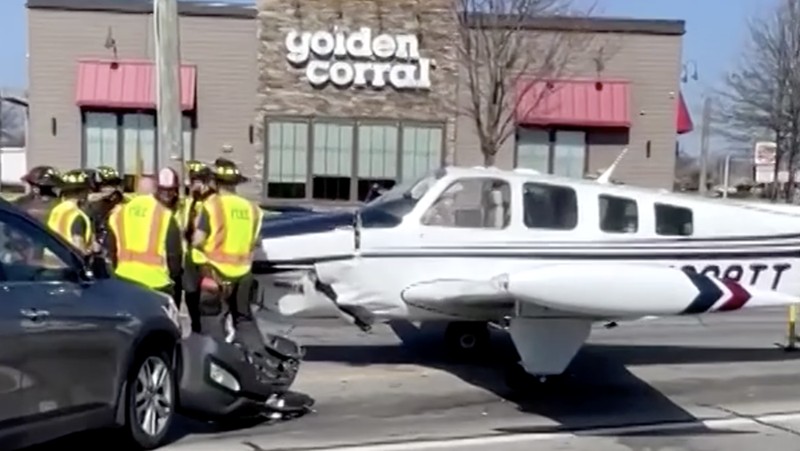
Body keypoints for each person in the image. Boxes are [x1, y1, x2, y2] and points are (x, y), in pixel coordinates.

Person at [191, 158, 264, 355]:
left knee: (212, 319)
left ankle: (216, 363)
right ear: (236, 183)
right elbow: (255, 242)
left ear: (216, 182)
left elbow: (198, 240)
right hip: (244, 274)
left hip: (214, 274)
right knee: (244, 320)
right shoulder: (253, 210)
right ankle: (258, 361)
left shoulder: (212, 206)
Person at [106, 168, 183, 299]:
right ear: (155, 189)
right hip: (156, 283)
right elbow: (174, 255)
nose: (168, 195)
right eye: (165, 190)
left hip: (124, 280)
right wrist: (174, 277)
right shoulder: (164, 215)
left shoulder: (118, 213)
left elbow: (111, 251)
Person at [179, 160, 215, 333]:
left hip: (207, 257)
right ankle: (195, 325)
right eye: (194, 180)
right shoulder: (188, 201)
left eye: (200, 180)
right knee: (190, 293)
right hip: (191, 254)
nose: (196, 184)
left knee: (207, 297)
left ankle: (207, 328)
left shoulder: (213, 202)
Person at [46, 169, 94, 253]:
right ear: (82, 192)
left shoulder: (55, 211)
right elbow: (78, 246)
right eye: (87, 191)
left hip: (52, 260)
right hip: (69, 262)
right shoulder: (77, 216)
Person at [85, 166, 127, 251]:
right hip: (97, 240)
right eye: (106, 185)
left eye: (114, 184)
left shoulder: (122, 199)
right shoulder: (90, 202)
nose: (111, 188)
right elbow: (89, 198)